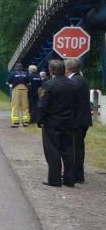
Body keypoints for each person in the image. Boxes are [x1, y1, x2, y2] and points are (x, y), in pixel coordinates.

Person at [37, 59, 77, 188]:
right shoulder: (72, 84)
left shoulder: (48, 85)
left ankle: (54, 179)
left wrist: (40, 120)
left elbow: (43, 105)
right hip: (68, 121)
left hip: (52, 122)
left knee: (53, 150)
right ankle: (69, 179)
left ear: (51, 70)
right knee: (68, 150)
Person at [65, 58, 92, 184]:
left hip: (76, 120)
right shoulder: (82, 80)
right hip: (83, 119)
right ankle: (78, 174)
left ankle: (75, 175)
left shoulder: (73, 82)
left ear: (68, 69)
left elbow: (70, 102)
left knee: (74, 149)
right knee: (79, 148)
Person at [7, 62, 30, 127]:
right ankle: (26, 122)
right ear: (22, 68)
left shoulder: (13, 74)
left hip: (16, 90)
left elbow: (7, 82)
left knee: (15, 106)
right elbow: (29, 83)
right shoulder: (26, 74)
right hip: (25, 90)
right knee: (25, 106)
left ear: (16, 67)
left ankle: (16, 122)